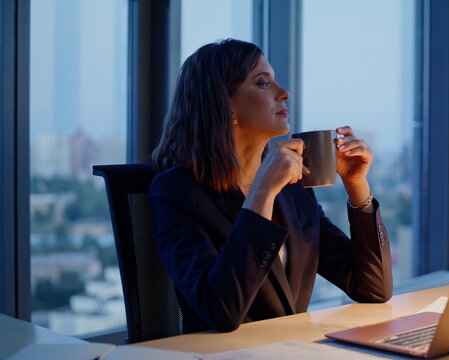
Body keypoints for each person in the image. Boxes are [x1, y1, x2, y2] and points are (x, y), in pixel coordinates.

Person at [148, 39, 392, 333]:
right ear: (226, 105)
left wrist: (357, 188)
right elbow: (221, 310)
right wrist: (262, 192)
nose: (284, 93)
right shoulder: (175, 191)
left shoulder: (292, 186)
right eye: (264, 83)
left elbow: (373, 288)